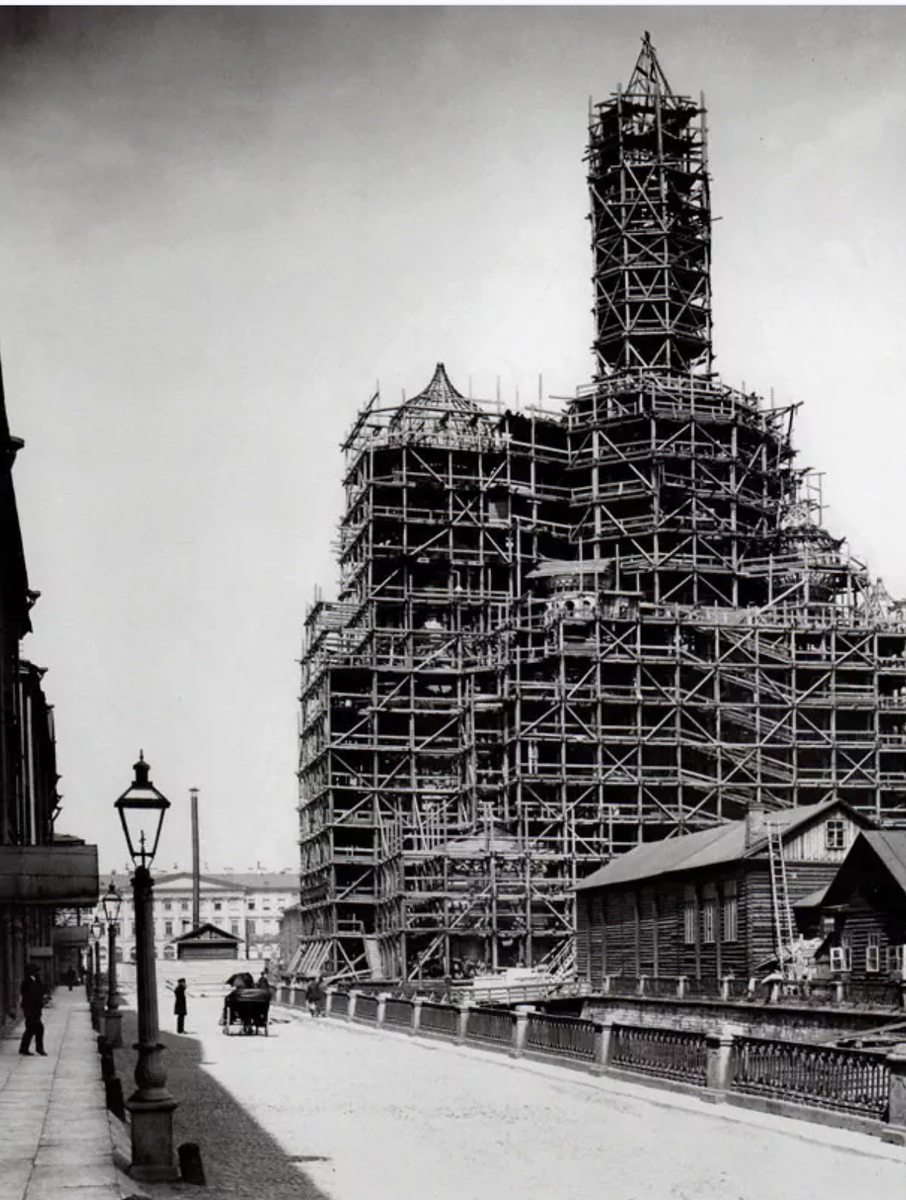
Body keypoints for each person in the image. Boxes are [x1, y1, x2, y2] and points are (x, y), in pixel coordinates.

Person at [19, 963, 47, 1056]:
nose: (38, 972)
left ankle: (24, 1048)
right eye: (36, 971)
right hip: (30, 1009)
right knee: (39, 1028)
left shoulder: (36, 980)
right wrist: (27, 1011)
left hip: (36, 1009)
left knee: (30, 1029)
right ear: (32, 971)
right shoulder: (27, 982)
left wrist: (43, 1000)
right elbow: (26, 996)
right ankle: (39, 1048)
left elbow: (40, 991)